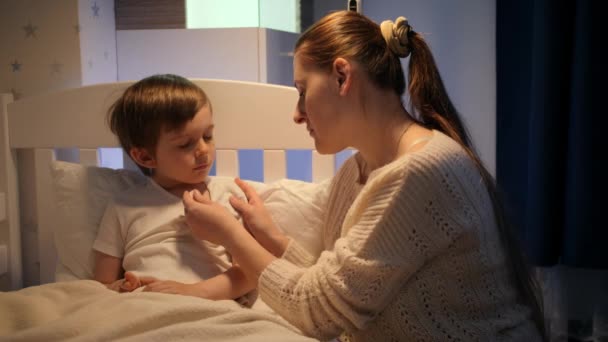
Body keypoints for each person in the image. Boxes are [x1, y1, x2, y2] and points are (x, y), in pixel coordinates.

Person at [182, 10, 547, 341]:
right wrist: (271, 238)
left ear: (342, 76)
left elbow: (318, 312)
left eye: (302, 91)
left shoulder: (421, 172)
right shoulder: (356, 171)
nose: (296, 113)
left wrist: (229, 235)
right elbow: (344, 294)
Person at [93, 74, 256, 305]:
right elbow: (100, 285)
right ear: (145, 156)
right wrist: (121, 287)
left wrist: (191, 291)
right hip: (144, 305)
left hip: (211, 305)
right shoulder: (124, 205)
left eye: (207, 136)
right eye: (185, 144)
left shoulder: (229, 196)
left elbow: (251, 273)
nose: (203, 150)